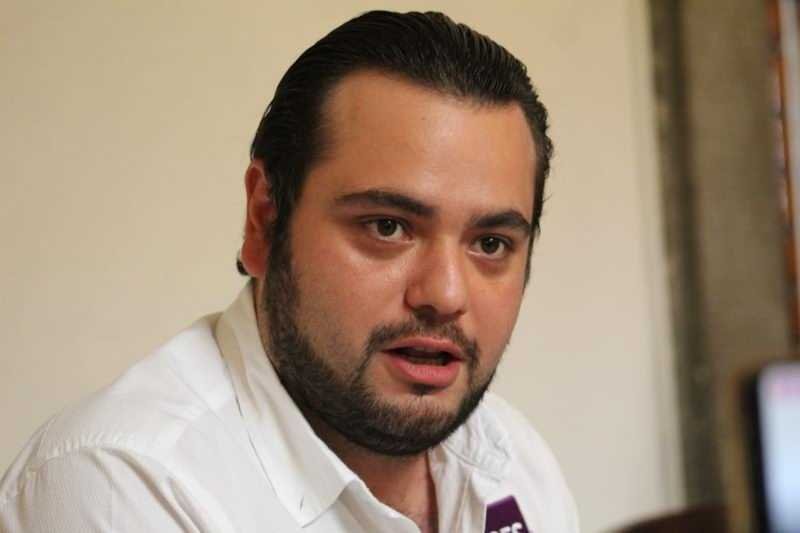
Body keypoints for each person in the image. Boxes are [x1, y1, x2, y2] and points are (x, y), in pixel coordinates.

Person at [0, 10, 578, 533]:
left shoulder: (513, 458)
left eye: (491, 243)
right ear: (264, 221)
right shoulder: (119, 484)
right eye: (387, 227)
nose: (446, 294)